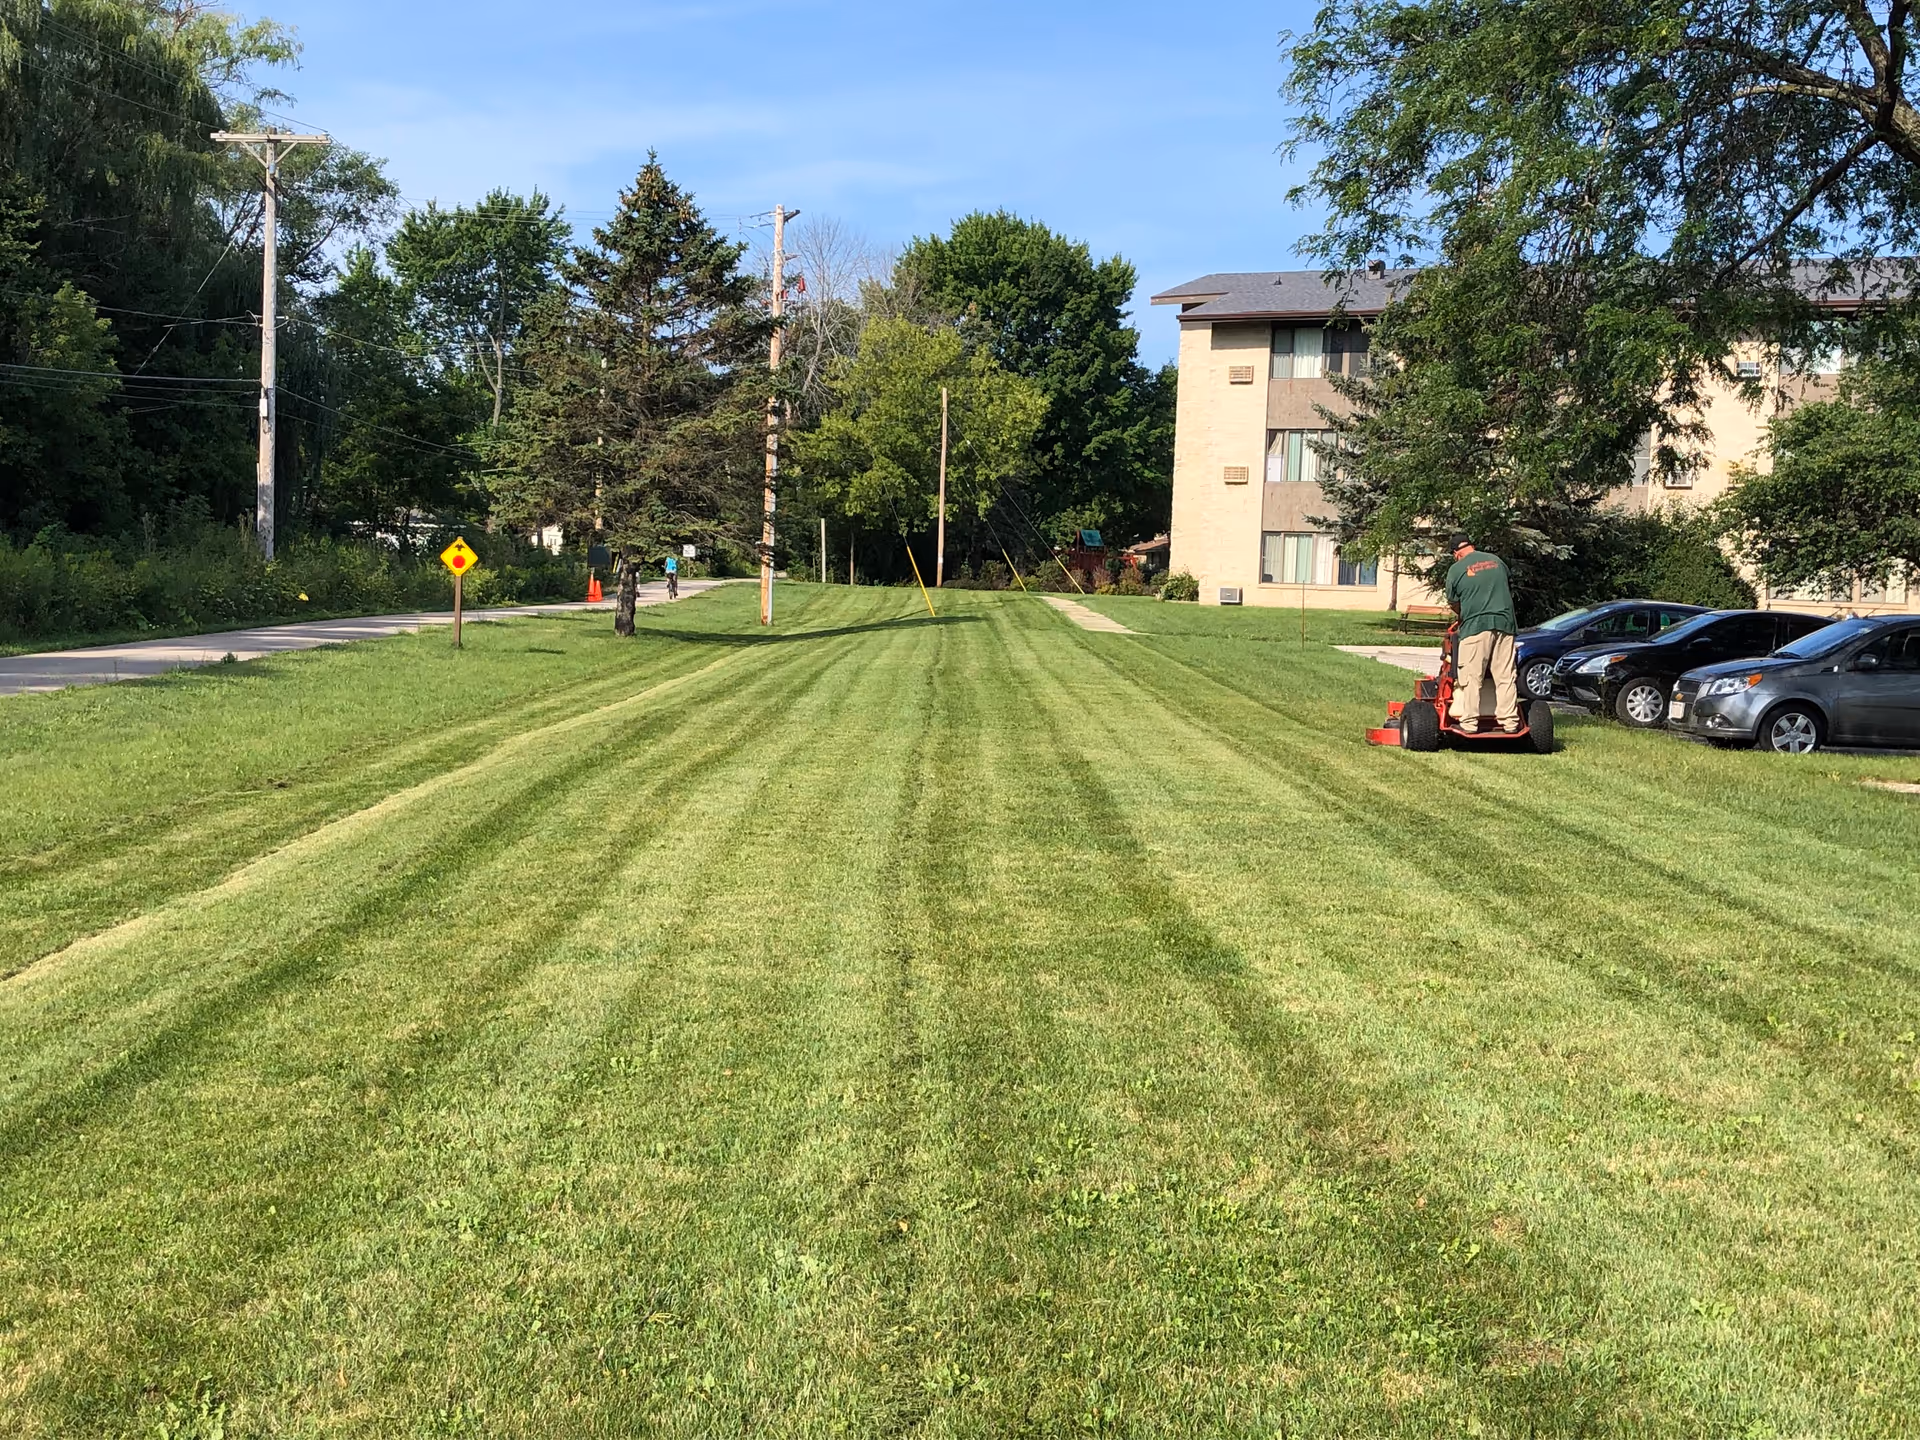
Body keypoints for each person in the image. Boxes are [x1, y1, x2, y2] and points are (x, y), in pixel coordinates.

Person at [1442, 533, 1520, 734]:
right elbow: (1508, 588)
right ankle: (1510, 723)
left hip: (1475, 627)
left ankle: (1469, 723)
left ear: (1456, 553)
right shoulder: (1496, 561)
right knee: (1505, 676)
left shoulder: (1457, 569)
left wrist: (1463, 615)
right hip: (1505, 624)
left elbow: (1454, 602)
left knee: (1471, 676)